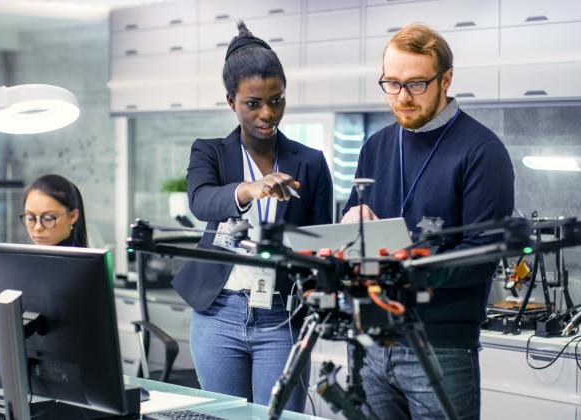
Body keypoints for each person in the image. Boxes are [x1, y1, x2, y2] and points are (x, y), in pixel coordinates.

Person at [340, 23, 515, 419]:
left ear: (446, 79)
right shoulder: (376, 146)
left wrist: (407, 266)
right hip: (371, 340)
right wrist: (352, 222)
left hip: (440, 346)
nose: (402, 97)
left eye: (416, 84)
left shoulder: (482, 151)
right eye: (391, 83)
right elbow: (355, 230)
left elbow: (483, 254)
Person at [170, 21, 333, 411]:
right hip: (218, 314)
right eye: (253, 103)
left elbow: (320, 243)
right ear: (231, 102)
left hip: (281, 316)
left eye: (276, 100)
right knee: (223, 416)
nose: (267, 113)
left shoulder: (309, 162)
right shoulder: (209, 152)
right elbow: (201, 200)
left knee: (279, 416)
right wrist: (249, 188)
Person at [21, 174, 88, 247]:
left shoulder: (78, 257)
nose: (38, 227)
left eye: (48, 218)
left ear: (72, 216)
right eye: (31, 218)